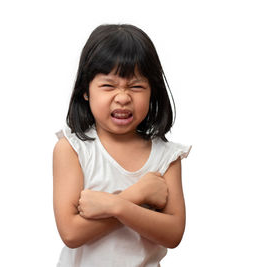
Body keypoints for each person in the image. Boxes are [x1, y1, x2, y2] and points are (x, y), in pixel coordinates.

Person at [53, 24, 192, 267]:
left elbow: (173, 234)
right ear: (86, 91)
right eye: (108, 85)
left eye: (136, 86)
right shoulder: (73, 149)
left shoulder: (166, 156)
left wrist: (114, 205)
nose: (123, 97)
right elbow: (71, 233)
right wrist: (136, 196)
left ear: (152, 92)